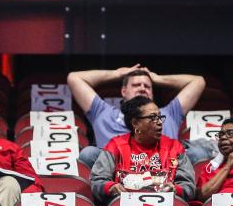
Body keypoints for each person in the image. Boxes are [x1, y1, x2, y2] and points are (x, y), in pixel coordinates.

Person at [67, 64, 206, 166]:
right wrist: (116, 74)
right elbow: (74, 78)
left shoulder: (168, 113)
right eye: (136, 85)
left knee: (197, 154)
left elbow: (198, 82)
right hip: (117, 169)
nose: (142, 88)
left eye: (147, 86)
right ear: (123, 91)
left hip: (163, 168)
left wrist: (157, 78)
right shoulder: (103, 112)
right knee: (89, 153)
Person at [90, 97, 196, 204]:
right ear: (135, 123)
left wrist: (175, 189)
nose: (159, 122)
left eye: (159, 117)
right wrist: (111, 187)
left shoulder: (174, 147)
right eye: (153, 117)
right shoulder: (115, 146)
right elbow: (97, 181)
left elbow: (189, 186)